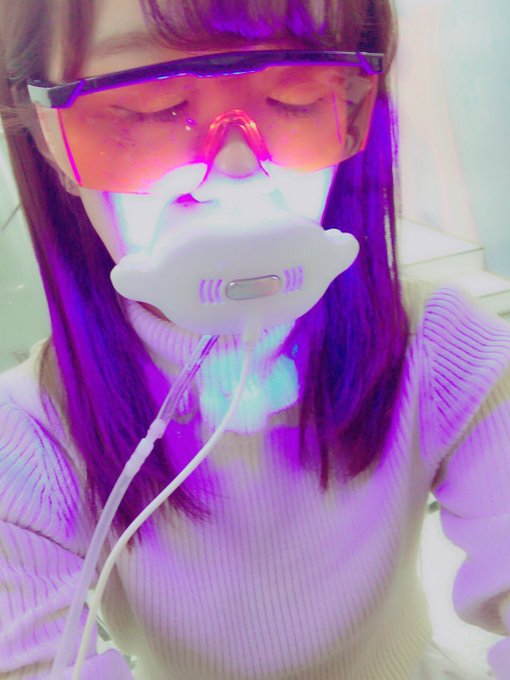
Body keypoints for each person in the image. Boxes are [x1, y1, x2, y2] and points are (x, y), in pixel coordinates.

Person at [0, 0, 509, 678]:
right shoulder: (29, 438)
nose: (237, 169)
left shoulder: (444, 349)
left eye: (297, 96)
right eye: (152, 107)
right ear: (48, 135)